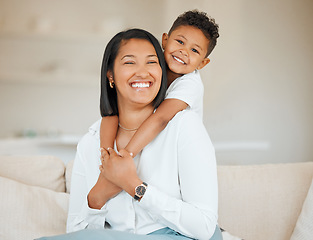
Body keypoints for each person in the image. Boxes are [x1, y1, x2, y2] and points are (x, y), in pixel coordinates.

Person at [37, 28, 222, 240]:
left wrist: (134, 186)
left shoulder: (184, 124)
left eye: (151, 62)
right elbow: (77, 232)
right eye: (129, 62)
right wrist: (98, 196)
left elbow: (204, 227)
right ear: (110, 75)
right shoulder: (91, 141)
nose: (142, 72)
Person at [100, 10, 219, 157]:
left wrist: (127, 155)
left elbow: (161, 119)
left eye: (194, 50)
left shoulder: (190, 84)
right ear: (165, 40)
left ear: (202, 63)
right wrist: (106, 158)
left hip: (179, 148)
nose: (183, 51)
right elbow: (111, 114)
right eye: (180, 42)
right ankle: (105, 159)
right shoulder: (153, 66)